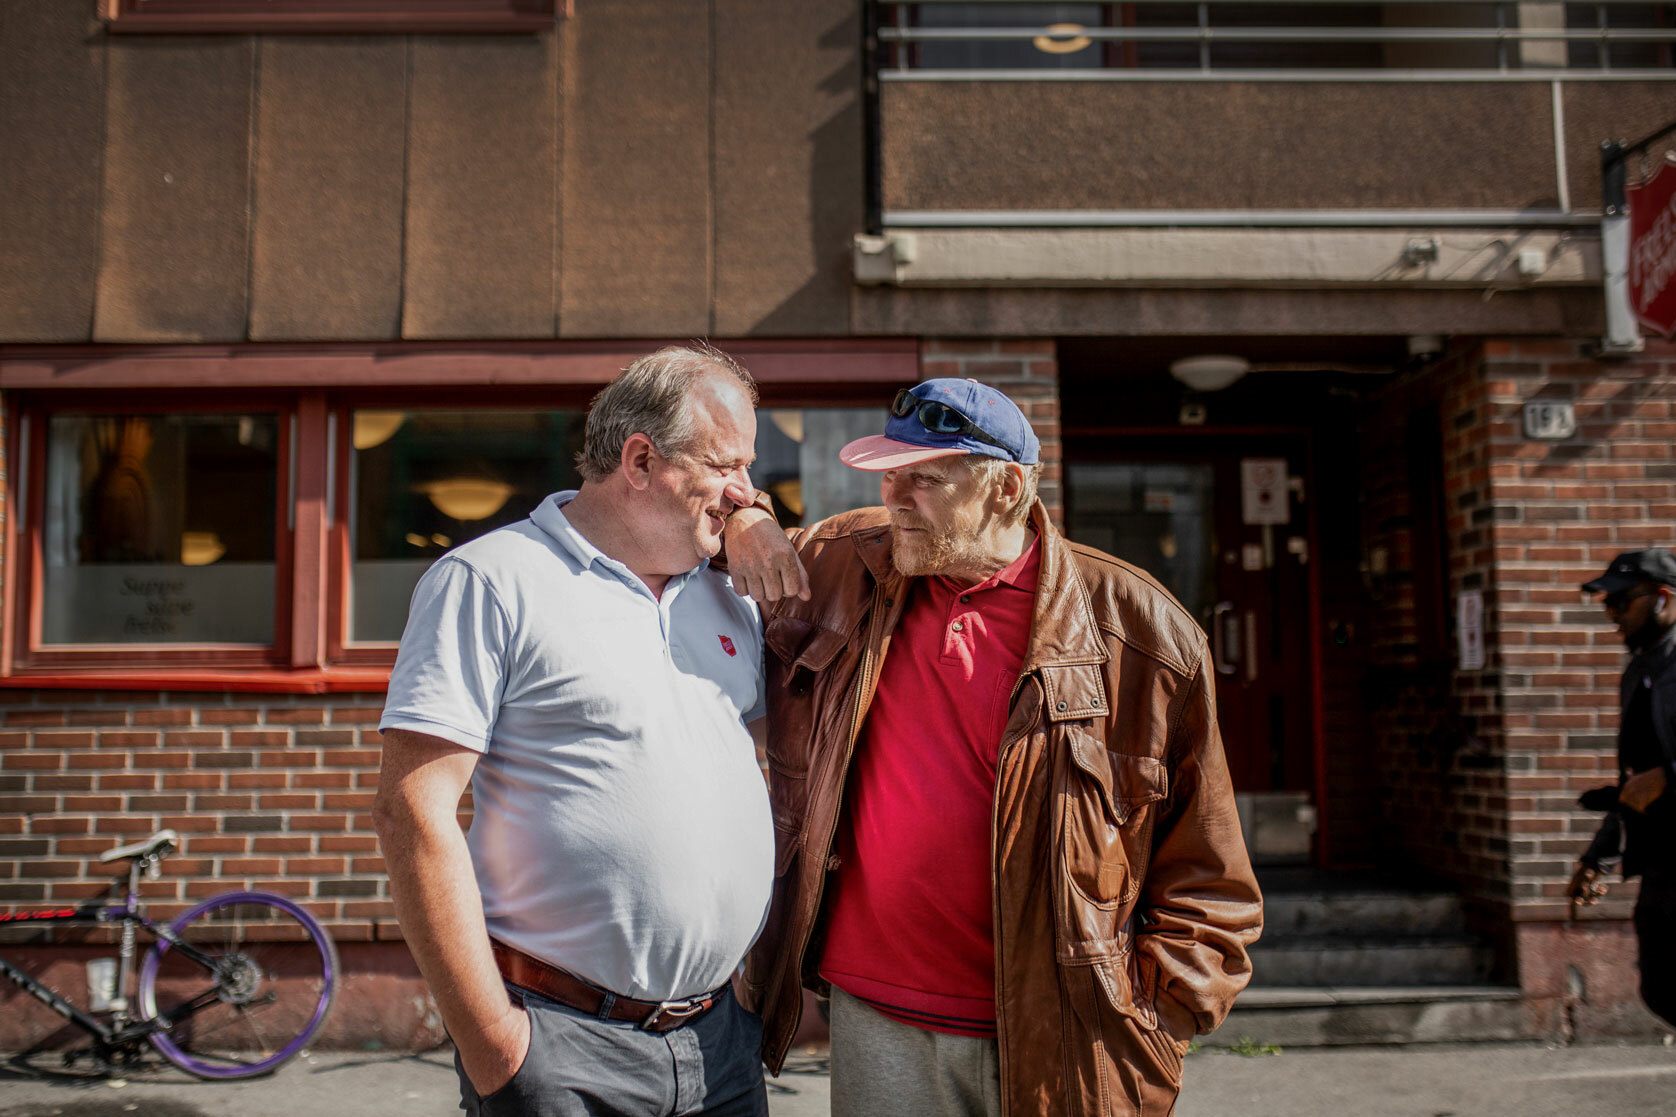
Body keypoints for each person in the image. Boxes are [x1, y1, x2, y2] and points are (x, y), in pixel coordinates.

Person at [724, 378, 1263, 1117]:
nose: (895, 497)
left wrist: (1152, 1021)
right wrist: (747, 514)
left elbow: (1211, 881)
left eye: (925, 478)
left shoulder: (1143, 636)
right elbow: (696, 554)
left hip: (1062, 1036)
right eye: (889, 474)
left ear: (1007, 487)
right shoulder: (843, 564)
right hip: (878, 1021)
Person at [372, 344, 776, 1117]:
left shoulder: (728, 592)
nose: (746, 492)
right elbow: (412, 810)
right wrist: (495, 1043)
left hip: (719, 1040)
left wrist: (756, 524)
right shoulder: (491, 581)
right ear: (640, 459)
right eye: (728, 466)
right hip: (561, 1045)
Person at [1569, 547, 1676, 1029]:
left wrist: (1669, 776)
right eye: (1606, 604)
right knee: (1661, 987)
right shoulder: (1639, 672)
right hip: (1660, 861)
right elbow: (1632, 782)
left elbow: (1654, 779)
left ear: (1663, 599)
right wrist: (1599, 857)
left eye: (1620, 602)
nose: (1611, 614)